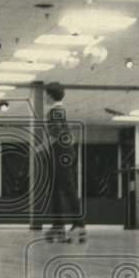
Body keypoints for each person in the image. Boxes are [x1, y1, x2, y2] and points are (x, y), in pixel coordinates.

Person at [43, 82, 86, 243]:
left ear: (49, 95)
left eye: (45, 94)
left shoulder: (54, 111)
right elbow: (64, 133)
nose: (44, 97)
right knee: (55, 186)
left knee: (67, 186)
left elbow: (58, 133)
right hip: (63, 150)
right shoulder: (59, 110)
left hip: (61, 151)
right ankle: (58, 224)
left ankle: (79, 223)